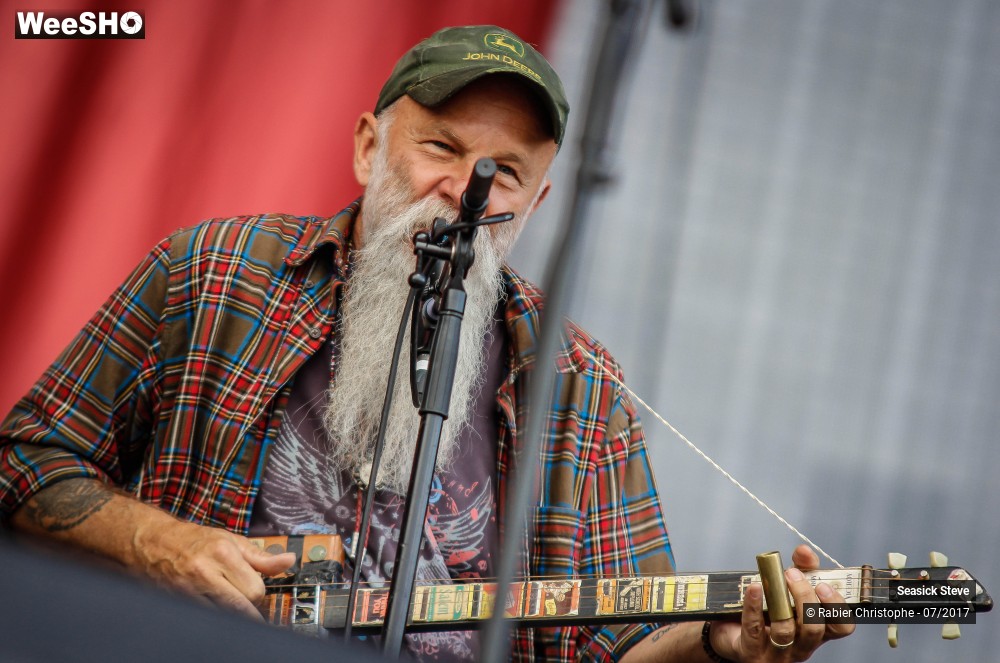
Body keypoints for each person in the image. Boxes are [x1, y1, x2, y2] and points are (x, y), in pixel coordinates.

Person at [0, 25, 852, 662]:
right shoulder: (215, 273)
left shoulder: (578, 382)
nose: (464, 193)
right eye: (440, 148)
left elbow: (621, 642)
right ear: (370, 147)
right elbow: (20, 464)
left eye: (503, 174)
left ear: (539, 201)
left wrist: (721, 646)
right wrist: (159, 544)